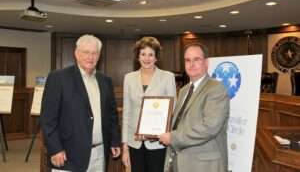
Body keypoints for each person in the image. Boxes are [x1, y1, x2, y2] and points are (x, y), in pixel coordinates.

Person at [40, 34, 121, 172]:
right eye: (86, 52)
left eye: (94, 53)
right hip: (67, 155)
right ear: (77, 54)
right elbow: (48, 119)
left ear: (99, 56)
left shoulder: (106, 81)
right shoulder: (59, 77)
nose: (90, 56)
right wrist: (55, 149)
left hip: (100, 154)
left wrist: (114, 140)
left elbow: (112, 115)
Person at [158, 43, 230, 172]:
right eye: (188, 60)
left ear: (206, 62)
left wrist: (173, 138)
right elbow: (178, 123)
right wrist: (152, 133)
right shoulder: (184, 90)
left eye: (197, 60)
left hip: (204, 165)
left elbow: (210, 127)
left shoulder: (216, 89)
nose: (191, 64)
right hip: (179, 160)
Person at [122, 36, 177, 172]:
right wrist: (125, 145)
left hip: (158, 143)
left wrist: (161, 134)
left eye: (151, 54)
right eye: (143, 54)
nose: (147, 58)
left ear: (156, 57)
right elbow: (126, 113)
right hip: (135, 143)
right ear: (138, 56)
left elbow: (172, 111)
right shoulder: (128, 78)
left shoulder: (167, 77)